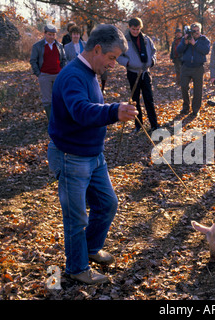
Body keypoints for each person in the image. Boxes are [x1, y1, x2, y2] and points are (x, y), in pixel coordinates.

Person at [47, 24, 138, 285]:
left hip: (93, 155)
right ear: (97, 49)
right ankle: (77, 267)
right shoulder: (73, 75)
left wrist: (113, 110)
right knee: (76, 217)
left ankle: (89, 249)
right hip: (71, 156)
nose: (113, 64)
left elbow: (92, 107)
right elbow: (81, 111)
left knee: (107, 204)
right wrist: (113, 112)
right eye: (111, 58)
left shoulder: (90, 73)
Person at [117, 17, 159, 133]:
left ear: (141, 28)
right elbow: (118, 56)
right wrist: (128, 63)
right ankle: (138, 125)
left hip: (146, 73)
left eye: (138, 29)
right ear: (129, 28)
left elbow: (154, 52)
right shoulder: (125, 41)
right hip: (133, 73)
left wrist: (153, 61)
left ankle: (154, 125)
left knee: (149, 99)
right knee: (135, 100)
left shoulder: (146, 39)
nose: (135, 31)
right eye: (133, 29)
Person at [30, 24, 67, 121]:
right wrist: (39, 73)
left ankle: (59, 119)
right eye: (49, 34)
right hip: (45, 75)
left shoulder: (59, 45)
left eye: (53, 35)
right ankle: (51, 120)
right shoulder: (37, 46)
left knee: (59, 98)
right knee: (47, 100)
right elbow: (33, 60)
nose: (52, 37)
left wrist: (62, 71)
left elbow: (64, 59)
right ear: (45, 34)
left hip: (58, 75)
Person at [176, 22, 211, 116]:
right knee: (183, 86)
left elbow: (206, 51)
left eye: (197, 30)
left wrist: (194, 44)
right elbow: (178, 50)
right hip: (186, 66)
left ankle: (195, 109)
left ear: (200, 30)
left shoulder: (204, 39)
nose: (196, 32)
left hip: (198, 67)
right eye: (194, 31)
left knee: (198, 90)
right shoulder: (185, 39)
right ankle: (186, 107)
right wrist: (186, 42)